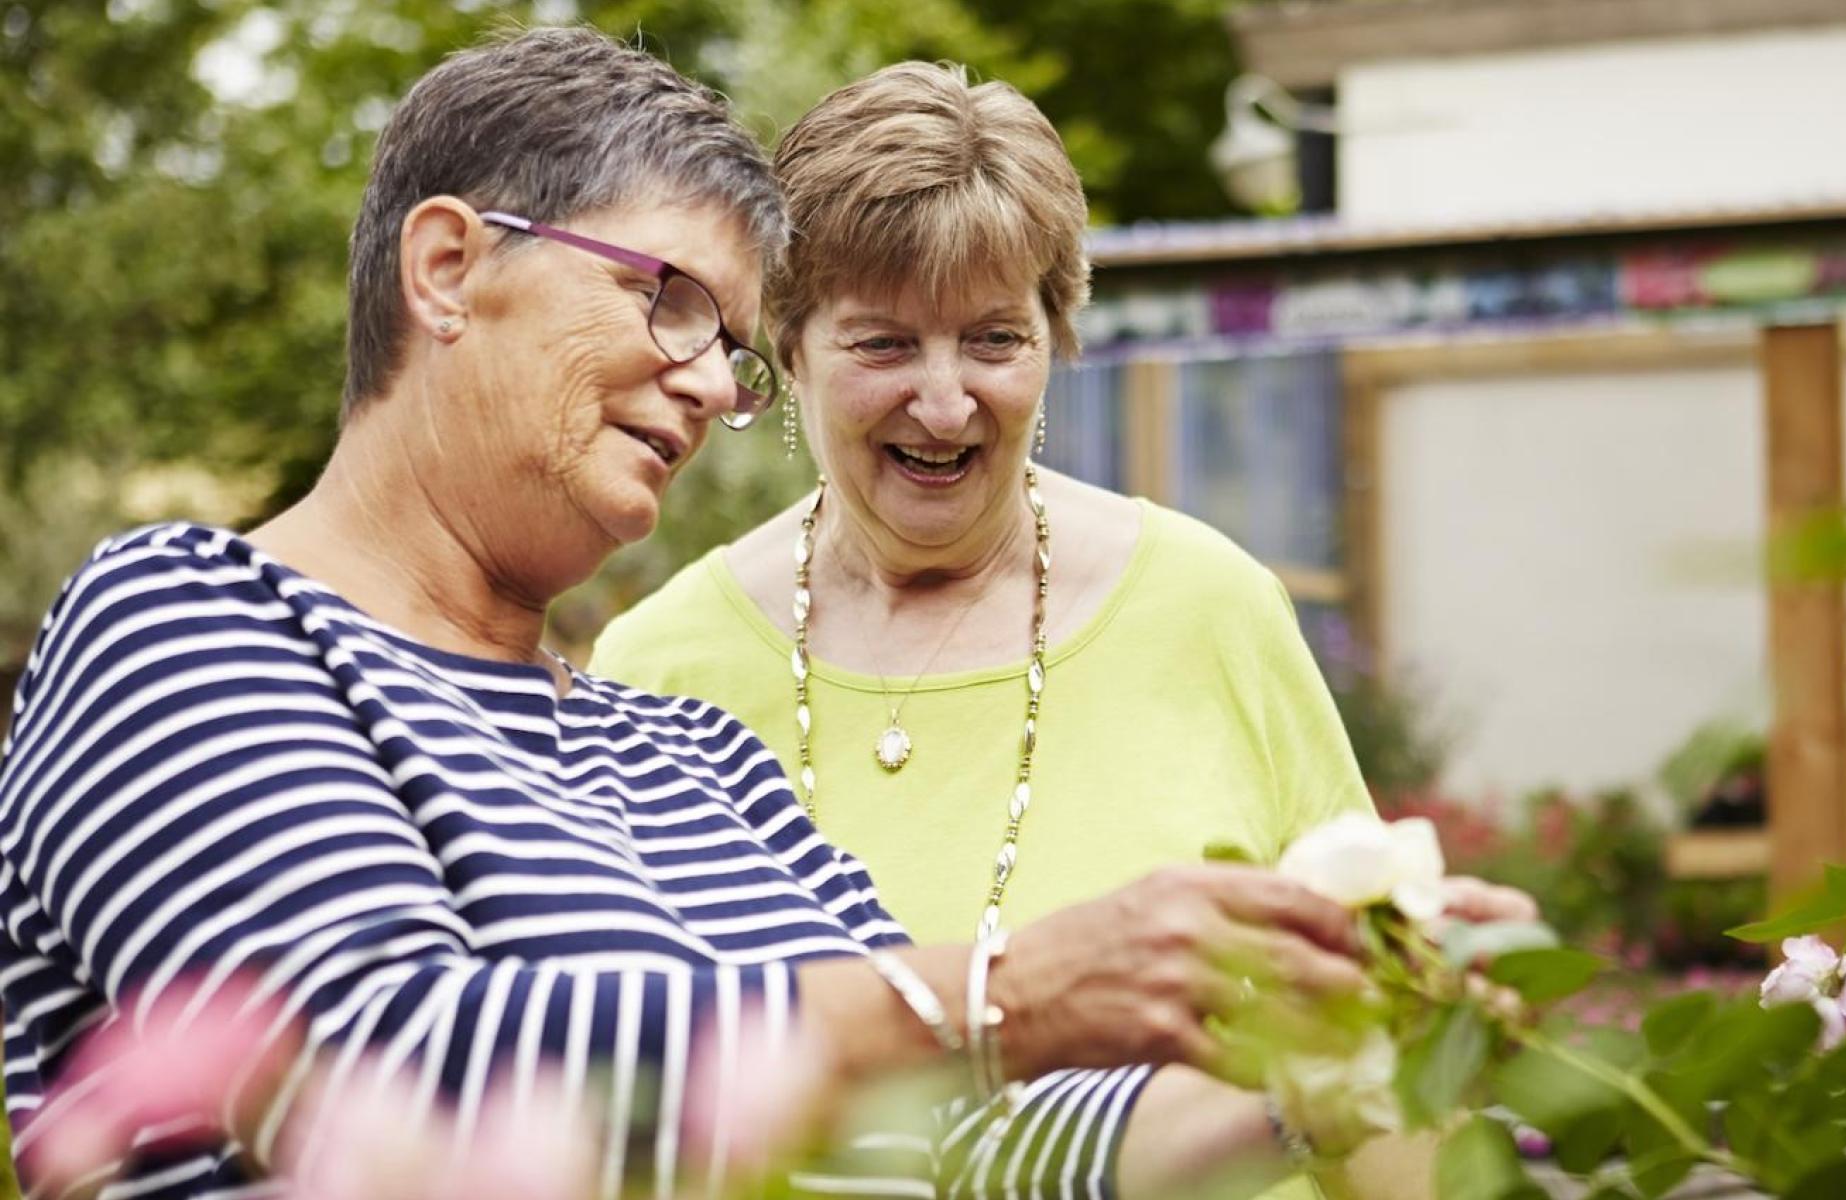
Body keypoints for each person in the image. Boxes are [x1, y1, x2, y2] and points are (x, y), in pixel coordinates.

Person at [0, 29, 1384, 1200]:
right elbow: (381, 1076)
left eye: (729, 343)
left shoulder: (688, 754)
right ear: (445, 270)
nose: (718, 389)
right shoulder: (189, 623)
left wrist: (1323, 1075)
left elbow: (943, 1134)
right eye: (668, 302)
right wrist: (1003, 994)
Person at [588, 60, 1530, 1199]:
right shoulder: (656, 669)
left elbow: (1377, 1059)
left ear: (1057, 338)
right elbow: (632, 1112)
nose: (944, 403)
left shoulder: (1210, 609)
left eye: (993, 339)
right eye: (883, 344)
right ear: (787, 348)